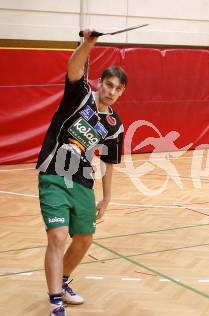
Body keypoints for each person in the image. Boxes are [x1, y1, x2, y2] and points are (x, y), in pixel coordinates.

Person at [36, 30, 127, 315]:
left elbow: (109, 162)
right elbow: (74, 67)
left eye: (118, 89)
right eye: (109, 84)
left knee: (84, 238)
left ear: (122, 92)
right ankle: (55, 303)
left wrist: (106, 199)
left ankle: (62, 281)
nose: (111, 91)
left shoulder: (114, 124)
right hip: (53, 173)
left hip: (82, 183)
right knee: (58, 236)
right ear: (100, 83)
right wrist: (89, 42)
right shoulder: (81, 94)